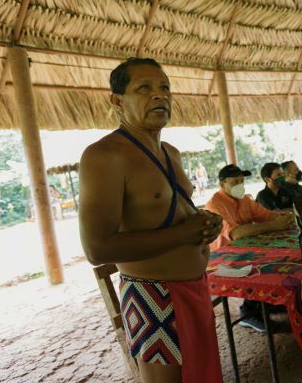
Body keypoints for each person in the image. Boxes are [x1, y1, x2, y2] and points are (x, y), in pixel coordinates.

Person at [78, 58, 224, 383]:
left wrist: (204, 223)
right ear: (117, 100)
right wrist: (185, 234)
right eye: (144, 88)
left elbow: (169, 213)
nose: (159, 96)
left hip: (194, 288)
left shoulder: (171, 152)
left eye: (165, 88)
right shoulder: (105, 156)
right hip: (151, 296)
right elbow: (97, 248)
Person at [205, 164, 294, 332]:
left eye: (242, 180)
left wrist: (286, 217)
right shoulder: (215, 205)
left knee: (280, 255)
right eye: (235, 181)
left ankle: (266, 302)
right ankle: (249, 313)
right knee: (264, 264)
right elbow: (236, 234)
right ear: (222, 183)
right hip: (222, 259)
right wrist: (275, 225)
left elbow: (266, 216)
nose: (240, 184)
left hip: (243, 251)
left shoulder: (244, 199)